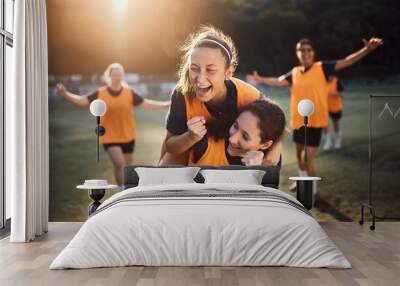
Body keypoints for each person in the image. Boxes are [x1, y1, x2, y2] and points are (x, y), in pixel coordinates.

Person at [247, 37, 383, 193]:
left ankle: (312, 189)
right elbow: (278, 81)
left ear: (313, 53)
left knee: (306, 158)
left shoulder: (322, 68)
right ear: (297, 53)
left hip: (315, 122)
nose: (305, 53)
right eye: (301, 50)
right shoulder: (295, 72)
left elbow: (346, 61)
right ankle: (302, 179)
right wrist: (260, 79)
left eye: (308, 50)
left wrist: (366, 50)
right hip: (298, 121)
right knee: (299, 156)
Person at [160, 25, 282, 166]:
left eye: (210, 70)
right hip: (198, 159)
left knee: (268, 160)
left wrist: (276, 145)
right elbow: (170, 146)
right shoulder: (182, 93)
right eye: (194, 68)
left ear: (228, 72)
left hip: (239, 160)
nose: (200, 79)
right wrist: (190, 137)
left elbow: (274, 124)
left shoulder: (249, 96)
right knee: (168, 163)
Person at [56, 63, 170, 186]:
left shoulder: (129, 92)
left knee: (126, 167)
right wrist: (65, 94)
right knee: (120, 163)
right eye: (114, 74)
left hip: (128, 135)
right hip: (109, 136)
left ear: (123, 76)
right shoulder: (100, 93)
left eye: (119, 74)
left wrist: (165, 105)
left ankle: (126, 189)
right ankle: (121, 190)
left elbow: (146, 103)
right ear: (108, 76)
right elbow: (82, 101)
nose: (117, 76)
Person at [185, 98, 286, 166]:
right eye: (235, 126)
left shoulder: (270, 162)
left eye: (245, 137)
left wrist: (255, 173)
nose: (232, 139)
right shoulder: (205, 143)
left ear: (265, 145)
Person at [323, 76, 344, 150]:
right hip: (324, 106)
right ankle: (328, 141)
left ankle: (338, 140)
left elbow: (342, 93)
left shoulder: (337, 81)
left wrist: (334, 93)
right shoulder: (322, 80)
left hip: (335, 107)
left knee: (336, 124)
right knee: (324, 124)